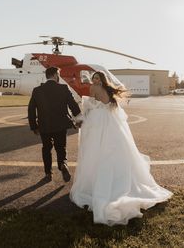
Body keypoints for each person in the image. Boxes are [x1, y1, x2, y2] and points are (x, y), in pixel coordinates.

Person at [70, 71, 173, 226]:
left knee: (96, 150)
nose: (95, 80)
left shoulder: (93, 88)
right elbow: (113, 108)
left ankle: (97, 184)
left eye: (97, 78)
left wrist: (81, 119)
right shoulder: (109, 90)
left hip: (98, 121)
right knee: (115, 149)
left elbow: (89, 107)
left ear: (101, 80)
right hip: (111, 122)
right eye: (94, 78)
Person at [28, 66, 81, 182]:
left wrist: (34, 126)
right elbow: (73, 105)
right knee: (61, 147)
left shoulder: (37, 90)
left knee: (46, 148)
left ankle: (48, 173)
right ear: (55, 75)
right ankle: (63, 164)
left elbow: (31, 110)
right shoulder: (63, 88)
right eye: (58, 75)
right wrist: (79, 118)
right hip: (61, 124)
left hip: (44, 125)